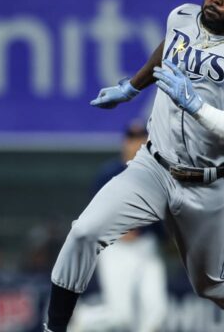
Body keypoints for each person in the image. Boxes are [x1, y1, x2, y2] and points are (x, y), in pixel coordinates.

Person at [44, 0, 224, 332]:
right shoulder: (183, 16)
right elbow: (171, 46)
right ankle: (53, 328)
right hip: (153, 167)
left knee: (209, 283)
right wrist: (132, 86)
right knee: (84, 232)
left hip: (209, 184)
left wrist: (198, 107)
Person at [69, 121, 168, 332]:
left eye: (142, 138)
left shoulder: (157, 173)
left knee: (157, 312)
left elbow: (161, 218)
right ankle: (84, 317)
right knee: (121, 316)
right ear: (125, 142)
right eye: (133, 139)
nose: (137, 143)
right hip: (115, 248)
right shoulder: (108, 174)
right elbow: (93, 215)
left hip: (146, 247)